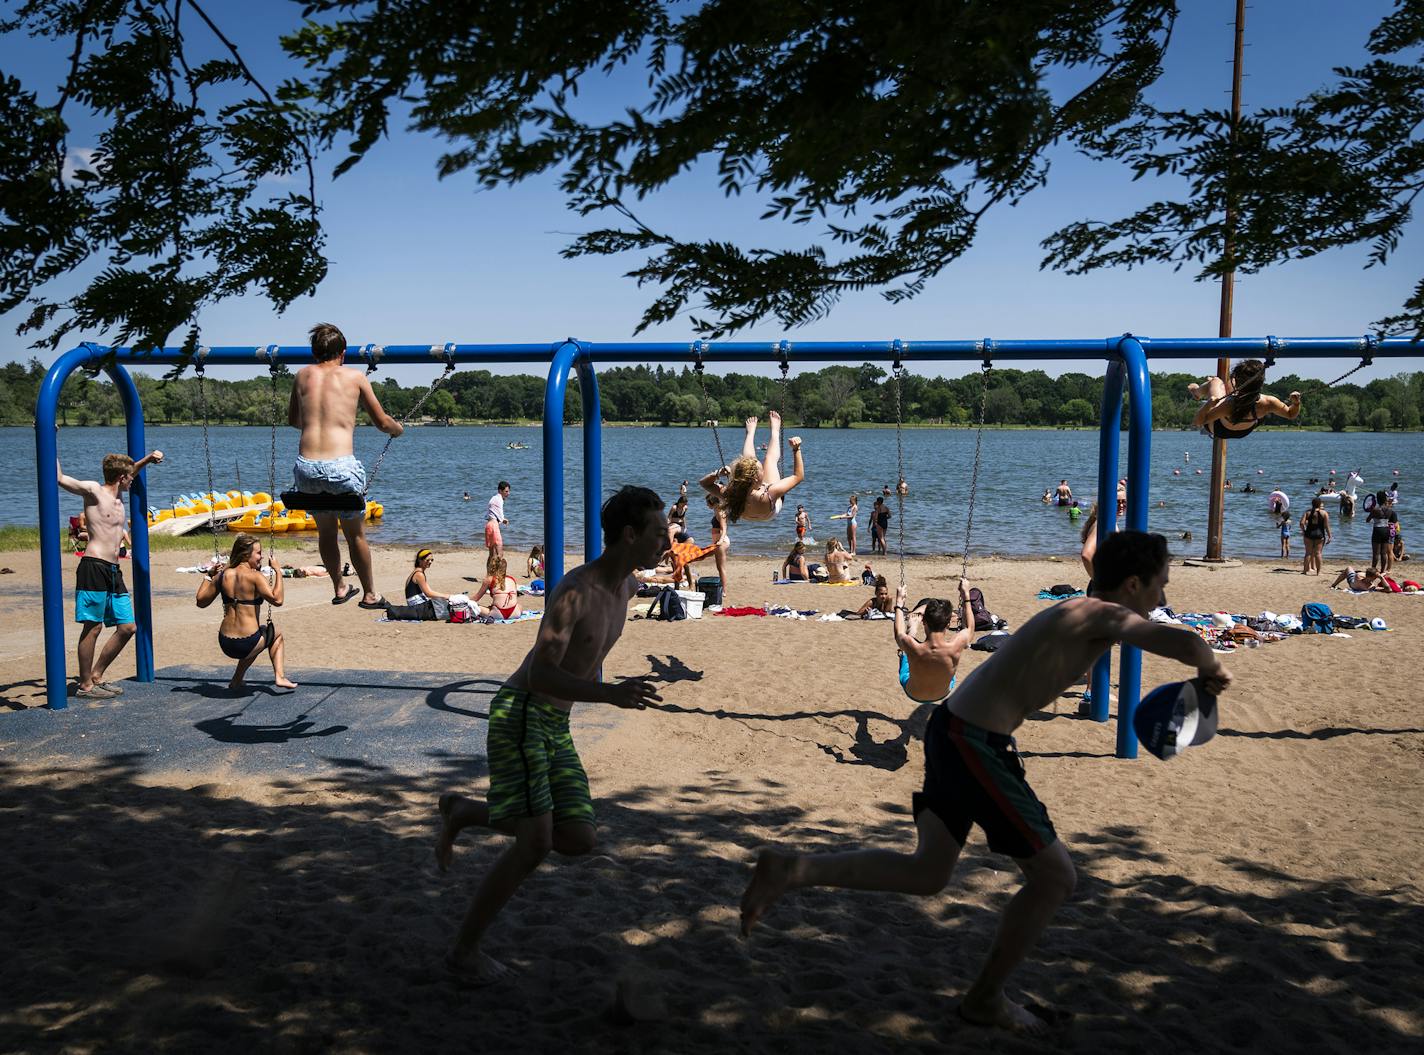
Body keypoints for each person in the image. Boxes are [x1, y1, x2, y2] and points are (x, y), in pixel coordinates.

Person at [740, 531, 1232, 1035]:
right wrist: (1210, 665)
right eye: (1160, 586)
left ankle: (791, 870)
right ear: (1132, 584)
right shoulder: (1097, 614)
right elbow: (1180, 640)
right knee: (1057, 878)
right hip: (974, 742)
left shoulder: (1083, 612)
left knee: (928, 873)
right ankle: (985, 999)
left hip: (953, 730)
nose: (1164, 598)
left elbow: (1106, 576)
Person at [433, 486, 667, 984]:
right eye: (659, 533)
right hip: (521, 714)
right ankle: (464, 951)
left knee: (578, 837)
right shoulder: (576, 592)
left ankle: (465, 811)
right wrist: (610, 695)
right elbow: (540, 676)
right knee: (536, 843)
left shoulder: (626, 588)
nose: (666, 541)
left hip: (555, 723)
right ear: (630, 535)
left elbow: (681, 556)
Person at [288, 322, 403, 609]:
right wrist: (397, 429)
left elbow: (293, 420)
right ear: (343, 352)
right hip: (340, 468)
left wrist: (318, 422)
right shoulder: (355, 377)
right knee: (356, 535)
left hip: (307, 467)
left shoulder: (301, 376)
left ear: (315, 352)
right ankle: (369, 594)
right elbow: (381, 421)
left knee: (326, 532)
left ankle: (340, 587)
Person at [57, 448, 164, 698]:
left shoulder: (119, 498)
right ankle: (85, 685)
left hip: (114, 570)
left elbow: (131, 469)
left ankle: (96, 675)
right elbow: (61, 479)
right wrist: (50, 437)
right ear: (121, 478)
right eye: (130, 477)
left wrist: (147, 459)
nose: (132, 479)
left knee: (127, 627)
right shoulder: (95, 491)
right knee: (93, 627)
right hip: (94, 566)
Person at [195, 533, 297, 691]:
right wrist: (277, 571)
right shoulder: (255, 576)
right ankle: (280, 677)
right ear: (245, 554)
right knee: (276, 635)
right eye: (258, 553)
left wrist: (209, 575)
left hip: (225, 642)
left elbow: (200, 602)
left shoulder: (222, 575)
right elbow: (278, 600)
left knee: (260, 636)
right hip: (246, 643)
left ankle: (236, 680)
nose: (261, 557)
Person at [700, 412, 805, 523]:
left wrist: (717, 474)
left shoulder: (731, 493)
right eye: (760, 469)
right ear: (756, 478)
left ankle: (750, 434)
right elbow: (798, 476)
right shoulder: (770, 493)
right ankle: (775, 432)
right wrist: (796, 449)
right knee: (770, 460)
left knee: (750, 460)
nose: (763, 469)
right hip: (769, 511)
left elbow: (704, 483)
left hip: (745, 513)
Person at [894, 580, 975, 704]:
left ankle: (912, 629)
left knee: (905, 651)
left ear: (924, 622)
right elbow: (970, 628)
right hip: (943, 692)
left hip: (913, 693)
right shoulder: (957, 644)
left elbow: (899, 633)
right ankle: (913, 631)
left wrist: (899, 602)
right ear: (948, 624)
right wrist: (966, 595)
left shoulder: (911, 645)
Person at [1188, 359, 1301, 439]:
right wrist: (1296, 404)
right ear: (1261, 383)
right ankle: (1222, 384)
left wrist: (1208, 405)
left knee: (1216, 381)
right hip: (1245, 431)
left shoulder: (1229, 405)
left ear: (1238, 382)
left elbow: (1197, 422)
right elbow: (1291, 414)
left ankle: (1197, 392)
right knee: (1226, 384)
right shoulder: (1268, 402)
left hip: (1220, 430)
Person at [385, 548, 453, 621]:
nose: (430, 562)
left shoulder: (417, 572)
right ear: (420, 560)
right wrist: (448, 596)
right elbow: (428, 593)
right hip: (418, 606)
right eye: (427, 560)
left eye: (432, 560)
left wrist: (445, 597)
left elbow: (429, 591)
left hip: (417, 604)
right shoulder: (419, 574)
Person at [472, 553, 521, 620]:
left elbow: (476, 598)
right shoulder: (512, 579)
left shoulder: (489, 579)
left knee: (474, 606)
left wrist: (465, 601)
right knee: (519, 606)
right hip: (515, 613)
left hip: (498, 614)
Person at [1366, 492, 1397, 573]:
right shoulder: (1390, 510)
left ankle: (1373, 569)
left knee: (1376, 553)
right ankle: (1383, 571)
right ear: (1384, 499)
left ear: (1377, 499)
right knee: (1383, 553)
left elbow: (1367, 520)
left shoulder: (1375, 509)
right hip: (1386, 530)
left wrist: (1371, 512)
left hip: (1377, 530)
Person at [1299, 496, 1330, 576]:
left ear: (1312, 504)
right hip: (1320, 535)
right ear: (1319, 504)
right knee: (1318, 553)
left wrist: (1304, 531)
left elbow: (1302, 523)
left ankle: (1305, 571)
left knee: (1308, 553)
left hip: (1309, 534)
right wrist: (1330, 536)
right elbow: (1327, 526)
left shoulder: (1307, 512)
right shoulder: (1324, 513)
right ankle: (1318, 572)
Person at [708, 496, 731, 598]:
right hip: (717, 542)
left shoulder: (721, 513)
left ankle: (724, 590)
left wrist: (720, 540)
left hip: (722, 542)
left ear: (713, 503)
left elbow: (724, 528)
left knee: (721, 568)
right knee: (718, 567)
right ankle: (722, 587)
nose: (707, 505)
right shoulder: (717, 511)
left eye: (708, 503)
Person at [485, 481, 511, 561]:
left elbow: (490, 513)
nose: (508, 493)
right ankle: (498, 573)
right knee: (500, 554)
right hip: (494, 526)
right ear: (500, 491)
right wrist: (504, 520)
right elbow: (500, 515)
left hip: (488, 525)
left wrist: (502, 519)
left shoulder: (493, 498)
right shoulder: (500, 500)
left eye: (509, 491)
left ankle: (490, 573)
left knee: (491, 554)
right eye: (506, 491)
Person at [1079, 504, 1098, 581]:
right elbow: (1086, 554)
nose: (1121, 505)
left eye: (1124, 502)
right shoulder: (1100, 525)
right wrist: (1098, 580)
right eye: (1117, 502)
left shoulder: (1107, 523)